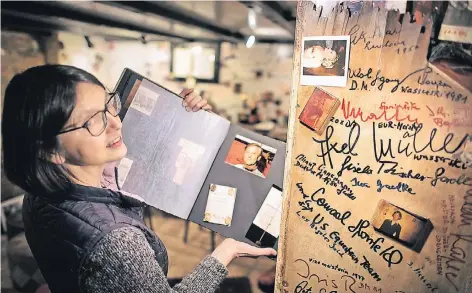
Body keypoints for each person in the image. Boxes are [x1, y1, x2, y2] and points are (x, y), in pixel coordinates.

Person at [1, 64, 276, 293]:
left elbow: (127, 170)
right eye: (93, 121)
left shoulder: (40, 190)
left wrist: (188, 123)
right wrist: (225, 253)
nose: (116, 122)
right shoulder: (115, 241)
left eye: (109, 104)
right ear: (50, 150)